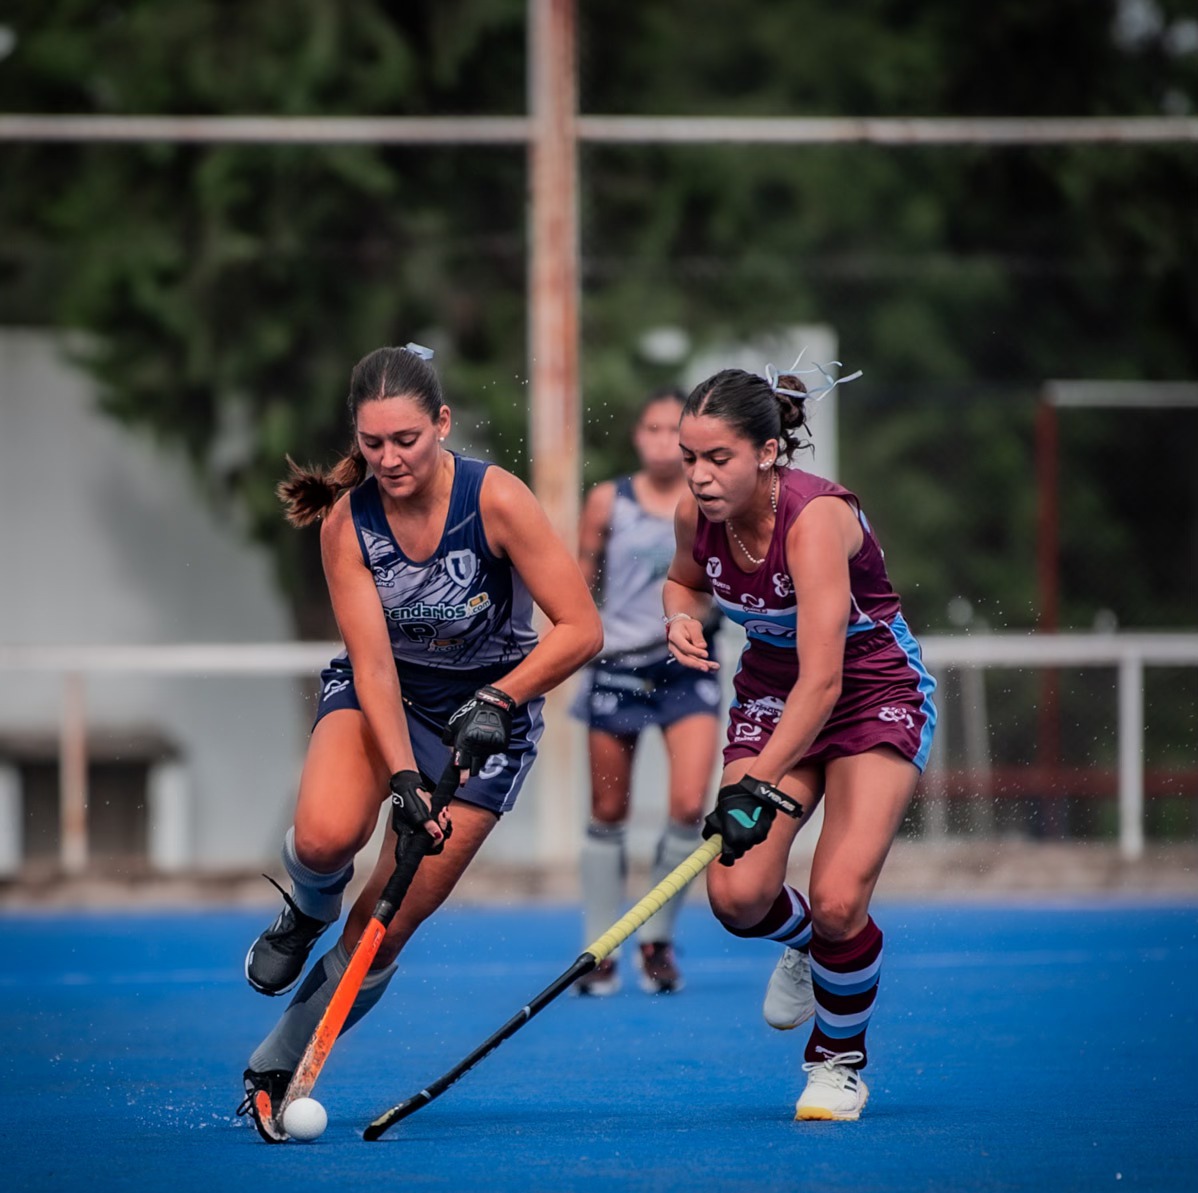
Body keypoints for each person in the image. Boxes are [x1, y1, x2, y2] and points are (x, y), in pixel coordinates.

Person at [237, 343, 603, 1139]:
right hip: (387, 698)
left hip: (489, 717)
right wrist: (405, 776)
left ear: (441, 423)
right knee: (329, 834)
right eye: (373, 444)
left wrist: (501, 697)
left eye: (407, 440)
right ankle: (304, 913)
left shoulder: (496, 500)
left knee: (386, 923)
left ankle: (276, 1062)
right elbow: (370, 663)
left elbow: (581, 629)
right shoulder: (348, 522)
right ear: (356, 440)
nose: (391, 459)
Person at [662, 361, 936, 1121]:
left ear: (768, 453)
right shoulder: (697, 517)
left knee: (840, 897)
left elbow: (824, 682)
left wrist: (756, 785)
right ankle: (813, 941)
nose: (702, 476)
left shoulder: (816, 521)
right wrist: (678, 615)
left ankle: (837, 1061)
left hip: (869, 694)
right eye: (690, 459)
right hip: (772, 696)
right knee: (737, 897)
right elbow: (684, 581)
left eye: (719, 459)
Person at [570, 389, 722, 997]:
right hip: (616, 669)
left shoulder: (708, 499)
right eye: (652, 428)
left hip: (688, 667)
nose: (663, 441)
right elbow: (578, 585)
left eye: (673, 431)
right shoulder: (608, 500)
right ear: (638, 435)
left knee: (689, 806)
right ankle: (600, 947)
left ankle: (657, 939)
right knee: (609, 811)